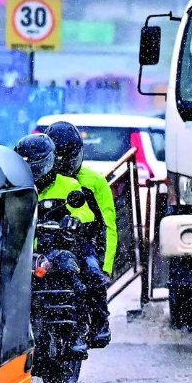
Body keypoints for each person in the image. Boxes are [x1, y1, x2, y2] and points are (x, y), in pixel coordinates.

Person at [14, 134, 90, 357]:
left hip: (52, 250)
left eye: (37, 165)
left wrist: (74, 220)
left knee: (69, 268)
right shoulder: (16, 186)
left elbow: (84, 211)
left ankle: (77, 333)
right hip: (18, 251)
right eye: (27, 165)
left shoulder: (68, 185)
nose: (34, 170)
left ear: (50, 162)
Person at [47, 121, 116, 348]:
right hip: (47, 244)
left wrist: (105, 266)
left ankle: (99, 324)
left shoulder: (95, 182)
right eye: (58, 159)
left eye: (68, 159)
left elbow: (108, 226)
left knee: (92, 275)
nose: (64, 165)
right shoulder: (41, 180)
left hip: (83, 242)